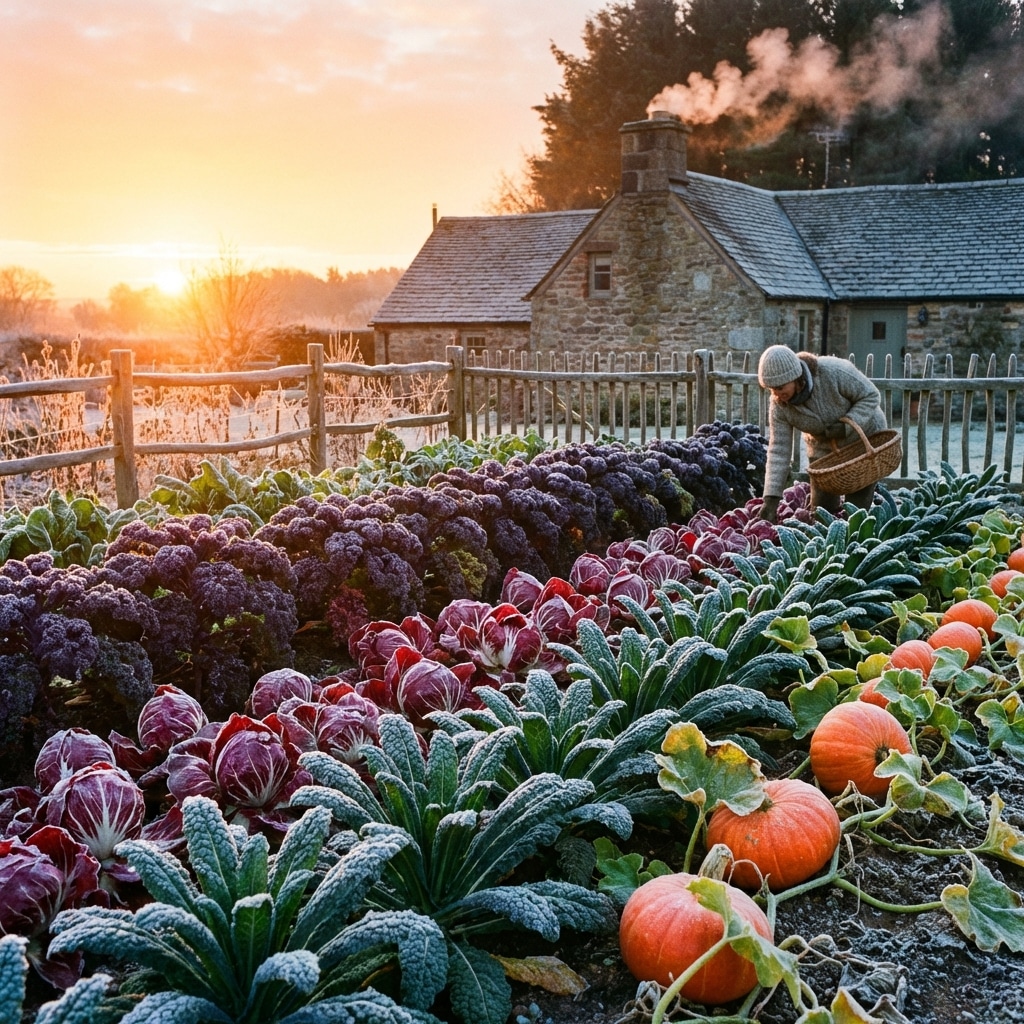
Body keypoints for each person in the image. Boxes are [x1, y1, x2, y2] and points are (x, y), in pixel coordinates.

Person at [757, 345, 887, 521]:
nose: (777, 394)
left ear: (795, 377)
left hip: (863, 439)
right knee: (821, 512)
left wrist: (847, 424)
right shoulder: (780, 406)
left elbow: (870, 395)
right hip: (823, 447)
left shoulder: (833, 371)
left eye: (780, 387)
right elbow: (778, 450)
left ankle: (854, 541)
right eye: (772, 389)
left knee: (855, 509)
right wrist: (771, 499)